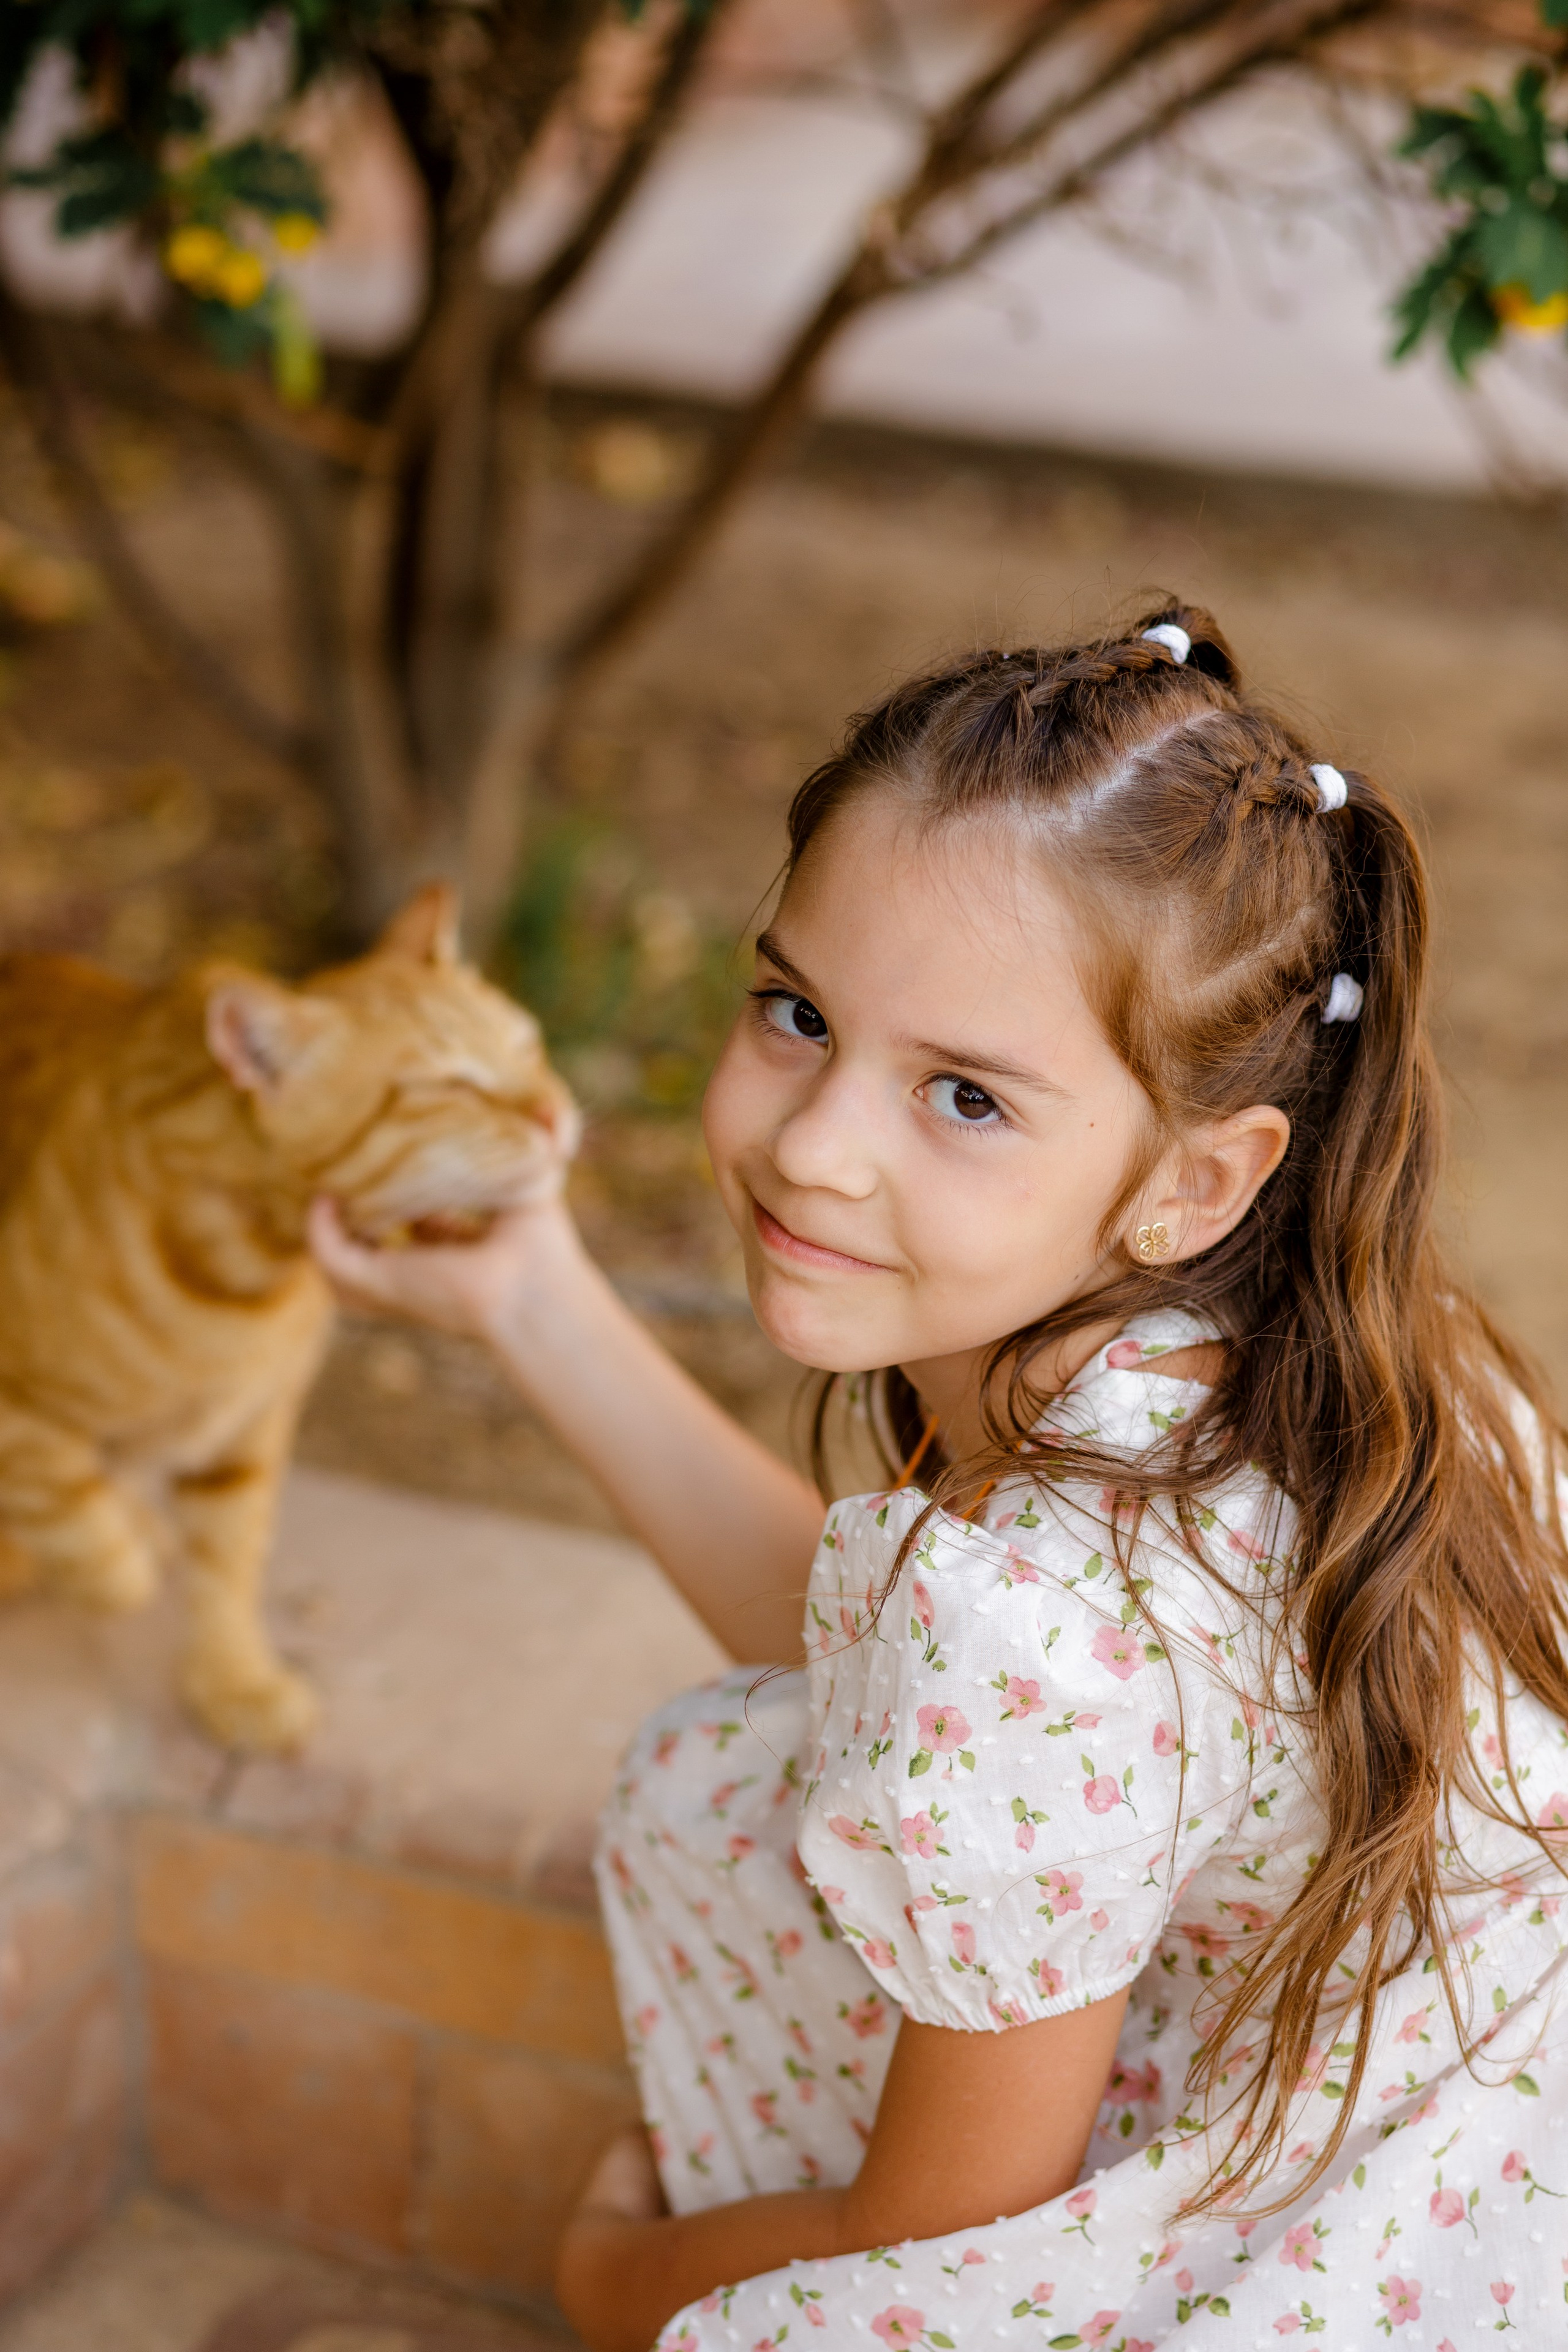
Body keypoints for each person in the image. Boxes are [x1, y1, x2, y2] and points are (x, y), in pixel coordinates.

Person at [311, 605, 1568, 2352]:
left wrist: (618, 2291)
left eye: (965, 1096)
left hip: (1376, 2262)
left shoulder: (1038, 1612)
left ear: (1197, 1180)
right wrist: (527, 1293)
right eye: (795, 1010)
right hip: (1489, 2165)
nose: (815, 1147)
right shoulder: (1361, 1339)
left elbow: (935, 2260)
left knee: (712, 1788)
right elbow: (915, 1673)